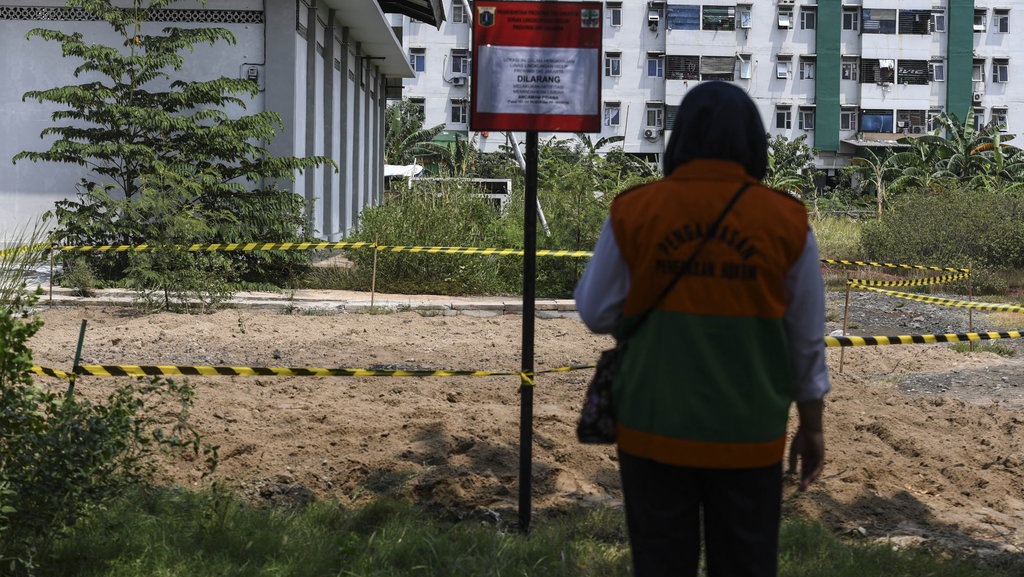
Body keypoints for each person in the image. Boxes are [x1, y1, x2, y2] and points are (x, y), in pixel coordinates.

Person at [573, 81, 830, 577]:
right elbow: (806, 343)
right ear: (754, 142)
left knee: (661, 563)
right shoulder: (786, 220)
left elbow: (595, 311)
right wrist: (813, 425)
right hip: (750, 434)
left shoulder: (635, 210)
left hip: (652, 428)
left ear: (680, 139)